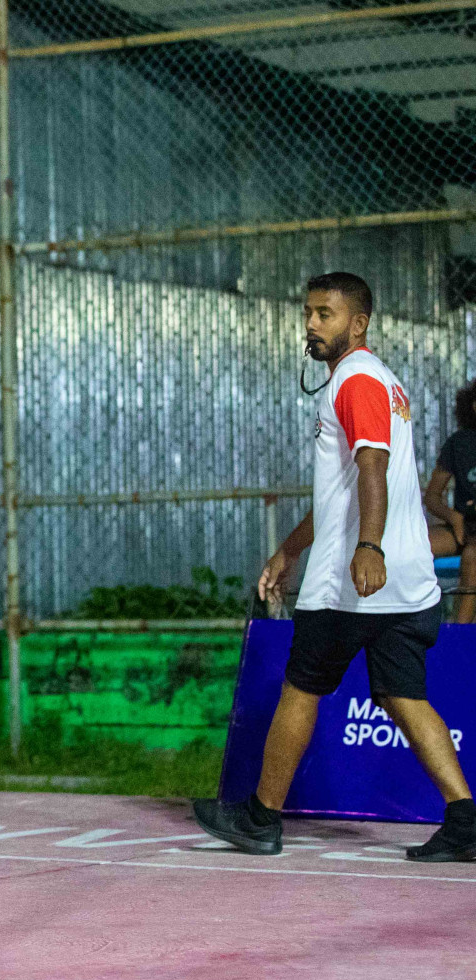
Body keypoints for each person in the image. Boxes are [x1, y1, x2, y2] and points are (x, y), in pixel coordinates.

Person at [194, 272, 474, 862]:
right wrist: (289, 549)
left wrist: (365, 547)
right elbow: (342, 491)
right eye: (309, 313)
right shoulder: (379, 382)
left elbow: (372, 468)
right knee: (404, 695)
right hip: (404, 579)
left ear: (359, 322)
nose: (312, 324)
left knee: (301, 687)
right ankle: (466, 818)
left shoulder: (357, 380)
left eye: (326, 314)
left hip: (353, 580)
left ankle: (260, 817)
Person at [426, 378, 476, 624]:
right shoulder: (460, 443)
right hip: (462, 526)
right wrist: (453, 517)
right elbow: (432, 497)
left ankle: (460, 634)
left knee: (472, 557)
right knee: (412, 546)